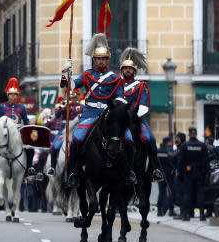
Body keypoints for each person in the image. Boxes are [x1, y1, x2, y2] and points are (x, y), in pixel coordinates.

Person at [61, 33, 136, 188]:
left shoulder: (115, 78)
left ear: (107, 60)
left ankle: (129, 171)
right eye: (98, 58)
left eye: (104, 59)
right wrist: (66, 73)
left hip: (108, 115)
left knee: (128, 139)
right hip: (90, 113)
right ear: (94, 59)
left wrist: (118, 109)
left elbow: (121, 97)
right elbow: (69, 86)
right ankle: (74, 172)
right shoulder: (88, 74)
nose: (101, 61)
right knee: (77, 139)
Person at [119, 47, 165, 182]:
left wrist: (132, 116)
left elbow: (143, 106)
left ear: (135, 71)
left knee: (149, 138)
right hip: (119, 120)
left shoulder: (141, 86)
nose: (128, 70)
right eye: (125, 68)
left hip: (136, 119)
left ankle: (155, 169)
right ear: (122, 70)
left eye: (130, 68)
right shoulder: (116, 85)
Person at [0, 78, 33, 174]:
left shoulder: (21, 107)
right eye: (11, 94)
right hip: (5, 133)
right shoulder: (2, 107)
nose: (14, 97)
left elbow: (26, 120)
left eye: (15, 94)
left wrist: (30, 125)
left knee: (30, 148)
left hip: (19, 134)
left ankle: (29, 168)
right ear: (8, 95)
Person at [178, 127, 209, 221]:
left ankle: (186, 214)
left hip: (188, 173)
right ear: (195, 134)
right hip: (199, 173)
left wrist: (181, 172)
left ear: (189, 134)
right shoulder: (202, 145)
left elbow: (180, 162)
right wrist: (204, 172)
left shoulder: (184, 146)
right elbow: (206, 162)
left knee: (187, 193)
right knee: (200, 193)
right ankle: (201, 215)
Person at [157, 137, 175, 216]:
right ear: (167, 143)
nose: (171, 143)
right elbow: (173, 160)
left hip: (160, 174)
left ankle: (159, 210)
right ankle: (171, 210)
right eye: (170, 142)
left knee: (161, 192)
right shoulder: (169, 151)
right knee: (171, 192)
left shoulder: (158, 151)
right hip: (168, 174)